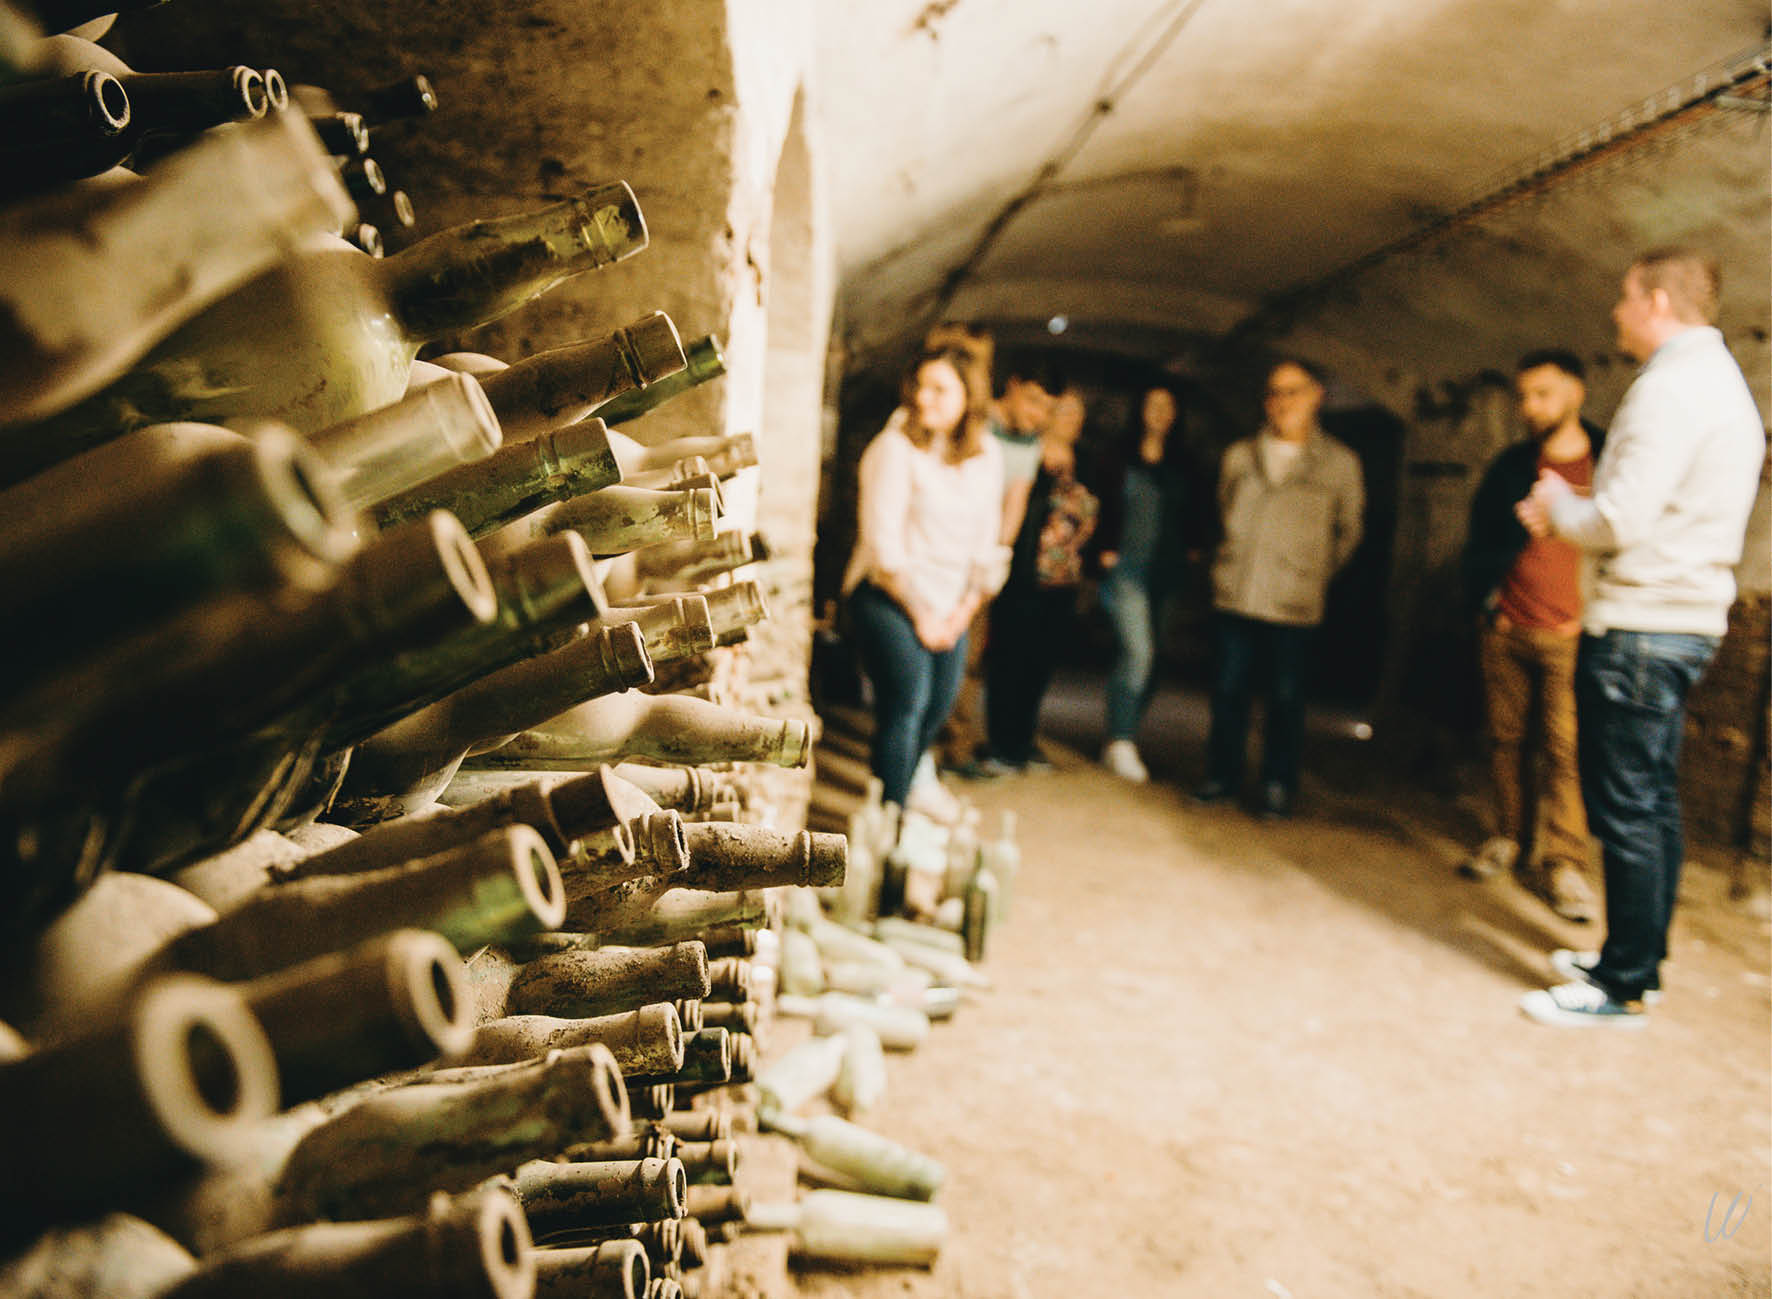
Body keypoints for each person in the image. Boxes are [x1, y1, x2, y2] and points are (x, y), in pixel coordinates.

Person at [1516, 247, 1764, 1029]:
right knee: (1651, 801)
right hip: (1678, 620)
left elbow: (1620, 519)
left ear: (1658, 301)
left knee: (1625, 803)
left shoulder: (1669, 391)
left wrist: (1559, 504)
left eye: (1625, 298)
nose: (1617, 313)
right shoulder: (1719, 384)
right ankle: (1635, 959)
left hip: (1642, 625)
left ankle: (1619, 983)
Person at [1458, 350, 1604, 923]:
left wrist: (1591, 616)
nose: (1529, 407)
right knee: (1505, 740)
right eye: (1524, 395)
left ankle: (1565, 865)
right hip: (1509, 626)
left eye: (1542, 394)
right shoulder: (1512, 465)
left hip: (1572, 633)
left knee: (1566, 751)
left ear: (1576, 394)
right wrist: (1489, 604)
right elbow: (1480, 540)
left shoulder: (1611, 462)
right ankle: (1508, 837)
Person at [841, 346, 1006, 821]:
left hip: (951, 602)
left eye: (940, 389)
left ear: (967, 397)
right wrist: (923, 617)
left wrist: (959, 615)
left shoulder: (985, 455)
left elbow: (985, 546)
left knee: (938, 708)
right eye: (920, 386)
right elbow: (883, 545)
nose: (925, 398)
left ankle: (896, 796)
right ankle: (893, 825)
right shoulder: (893, 448)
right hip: (887, 594)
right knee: (908, 701)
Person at [1198, 358, 1364, 818]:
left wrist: (1312, 572)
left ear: (1316, 396)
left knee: (1286, 698)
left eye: (1293, 391)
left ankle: (1276, 783)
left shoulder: (1339, 464)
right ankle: (1222, 776)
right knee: (1228, 690)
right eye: (1274, 392)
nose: (1282, 402)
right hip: (1239, 591)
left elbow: (1348, 531)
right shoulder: (1240, 455)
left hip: (1294, 601)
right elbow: (1223, 507)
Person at [937, 360, 1064, 773]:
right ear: (1011, 386)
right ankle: (925, 749)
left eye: (1047, 408)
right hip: (943, 552)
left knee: (968, 659)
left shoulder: (1030, 442)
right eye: (1031, 401)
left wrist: (996, 559)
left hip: (980, 562)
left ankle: (954, 748)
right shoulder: (973, 422)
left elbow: (1016, 499)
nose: (1036, 415)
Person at [970, 389, 1098, 775]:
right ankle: (999, 743)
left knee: (1039, 665)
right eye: (1064, 410)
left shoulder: (1085, 462)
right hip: (1024, 575)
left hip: (1062, 581)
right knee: (1010, 659)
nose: (1072, 418)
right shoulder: (1030, 455)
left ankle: (1022, 741)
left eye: (1079, 411)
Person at [1094, 382, 1202, 783]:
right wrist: (1103, 548)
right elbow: (1101, 500)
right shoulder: (1118, 456)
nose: (1160, 412)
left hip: (1167, 569)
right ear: (1140, 408)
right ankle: (1121, 741)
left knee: (1152, 658)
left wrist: (1193, 546)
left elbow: (1198, 507)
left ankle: (1122, 733)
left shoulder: (1185, 461)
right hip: (1127, 569)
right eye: (1153, 404)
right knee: (1137, 652)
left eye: (1168, 406)